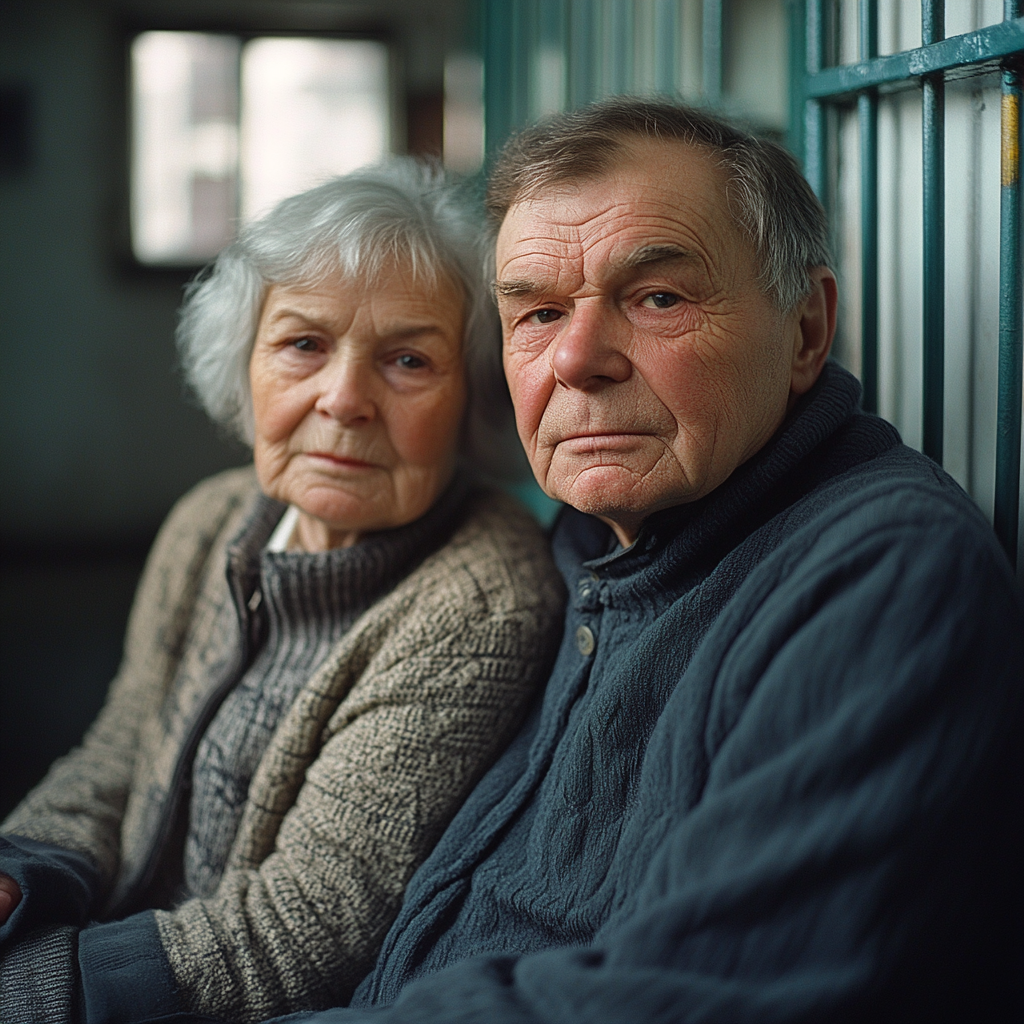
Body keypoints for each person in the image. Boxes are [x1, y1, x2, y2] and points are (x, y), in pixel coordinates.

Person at [150, 97, 1023, 1024]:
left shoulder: (880, 582)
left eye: (657, 298)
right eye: (536, 312)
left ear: (806, 330)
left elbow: (682, 998)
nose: (575, 358)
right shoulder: (582, 545)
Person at [0, 161, 565, 1022]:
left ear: (473, 399)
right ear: (245, 362)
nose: (344, 400)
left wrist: (34, 988)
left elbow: (302, 929)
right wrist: (23, 874)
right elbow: (120, 749)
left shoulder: (481, 599)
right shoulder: (211, 522)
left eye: (409, 359)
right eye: (304, 344)